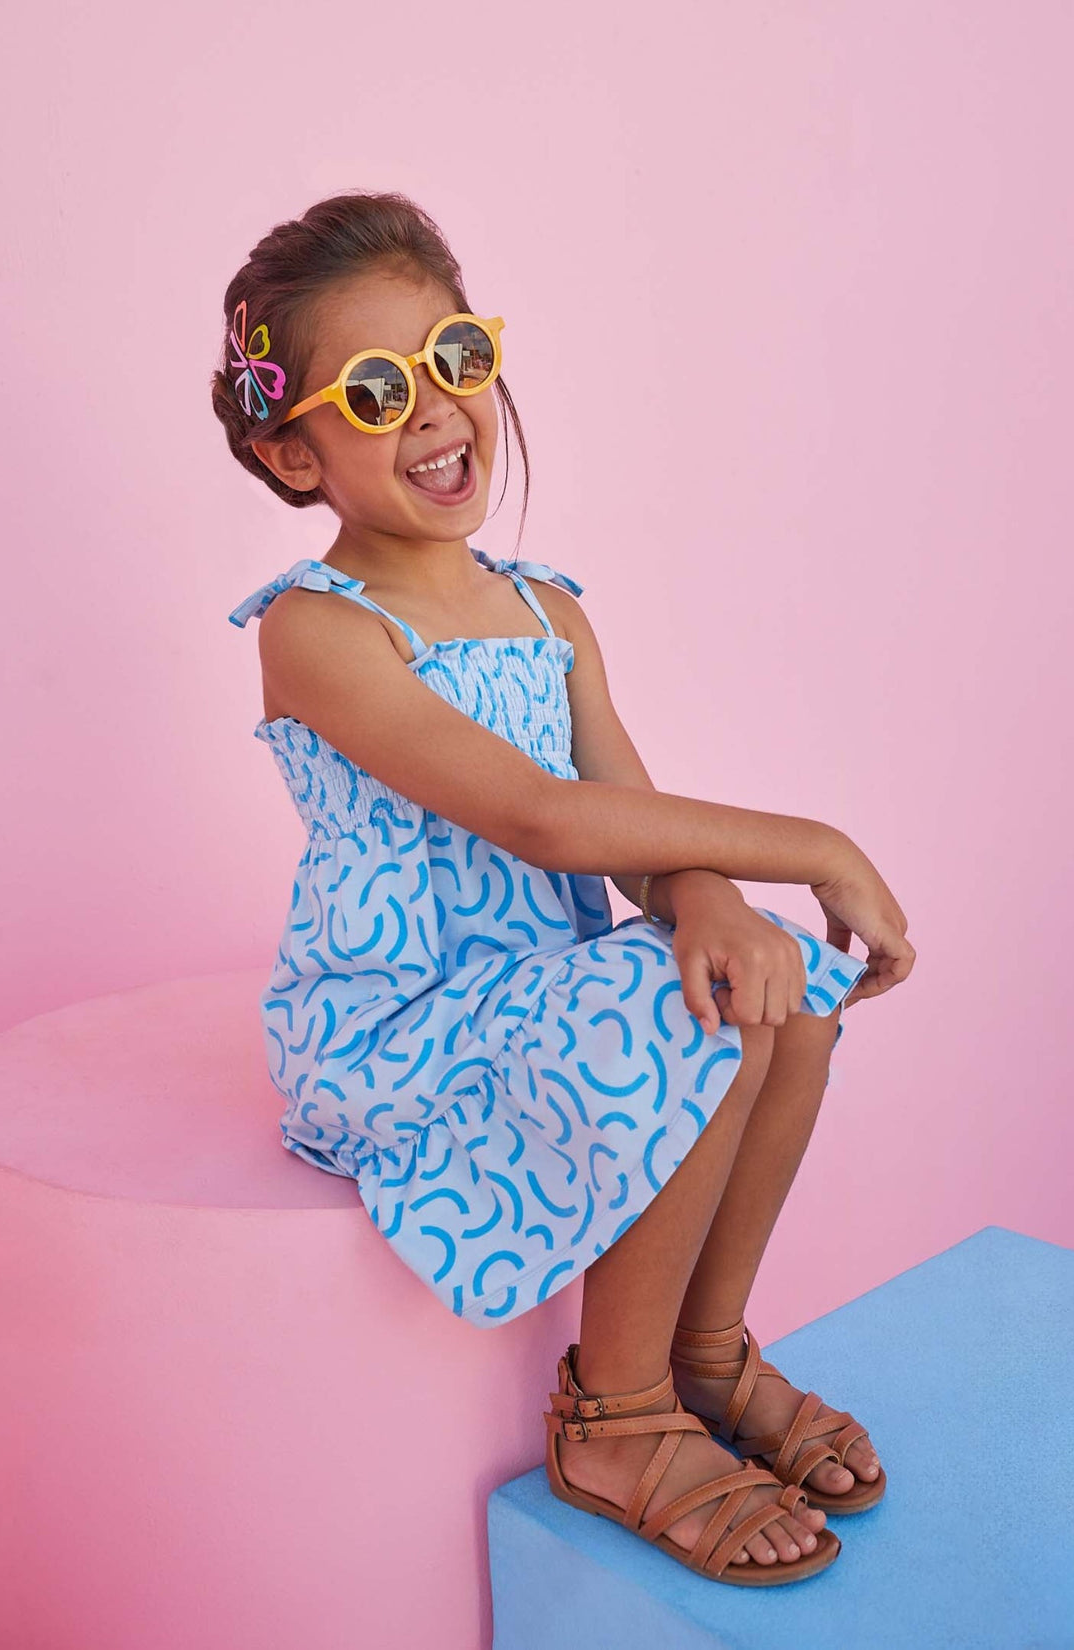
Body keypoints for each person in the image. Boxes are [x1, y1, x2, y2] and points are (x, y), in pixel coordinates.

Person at [212, 189, 915, 1587]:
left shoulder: (549, 612)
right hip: (400, 1028)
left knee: (778, 987)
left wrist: (707, 895)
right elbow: (543, 815)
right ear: (292, 447)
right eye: (374, 388)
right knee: (685, 1007)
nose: (434, 412)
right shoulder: (317, 630)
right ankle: (615, 1413)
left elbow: (627, 809)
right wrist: (816, 842)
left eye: (454, 358)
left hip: (535, 991)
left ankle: (708, 1357)